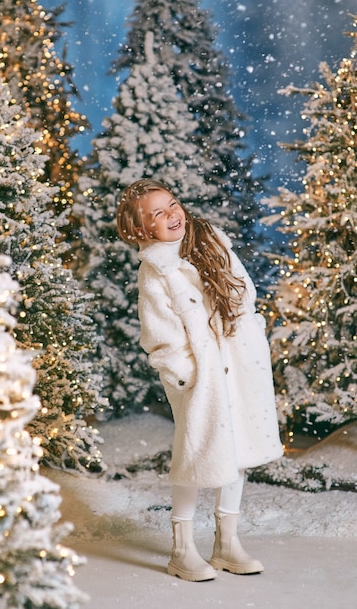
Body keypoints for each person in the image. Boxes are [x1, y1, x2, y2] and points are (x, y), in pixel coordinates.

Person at [116, 178, 283, 582]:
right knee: (195, 452)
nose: (171, 214)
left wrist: (252, 338)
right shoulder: (156, 273)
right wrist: (188, 375)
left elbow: (244, 293)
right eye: (157, 213)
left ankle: (227, 542)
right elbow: (160, 336)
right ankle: (183, 548)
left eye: (172, 204)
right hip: (200, 376)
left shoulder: (213, 242)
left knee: (238, 443)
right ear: (142, 229)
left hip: (238, 359)